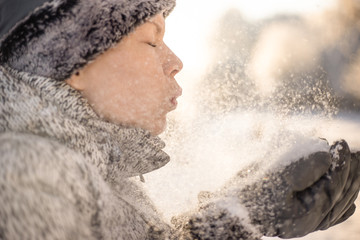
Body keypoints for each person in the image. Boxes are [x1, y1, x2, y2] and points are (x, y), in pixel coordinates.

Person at [0, 0, 359, 239]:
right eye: (152, 42)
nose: (176, 62)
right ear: (71, 61)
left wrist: (236, 211)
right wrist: (242, 216)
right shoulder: (28, 169)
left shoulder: (86, 165)